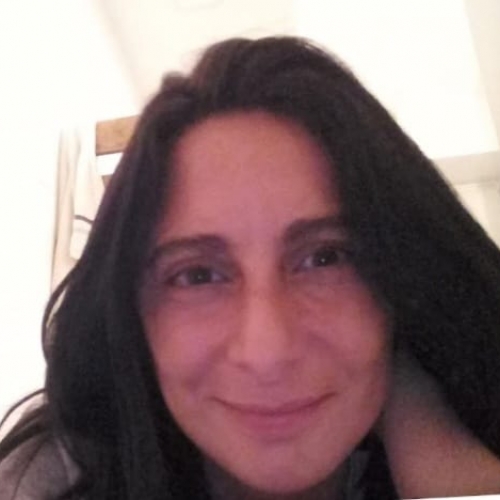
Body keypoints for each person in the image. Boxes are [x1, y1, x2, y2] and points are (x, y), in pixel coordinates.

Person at [1, 36, 500, 500]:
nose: (268, 352)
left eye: (325, 258)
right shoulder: (41, 483)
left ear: (405, 276)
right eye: (197, 275)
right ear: (131, 315)